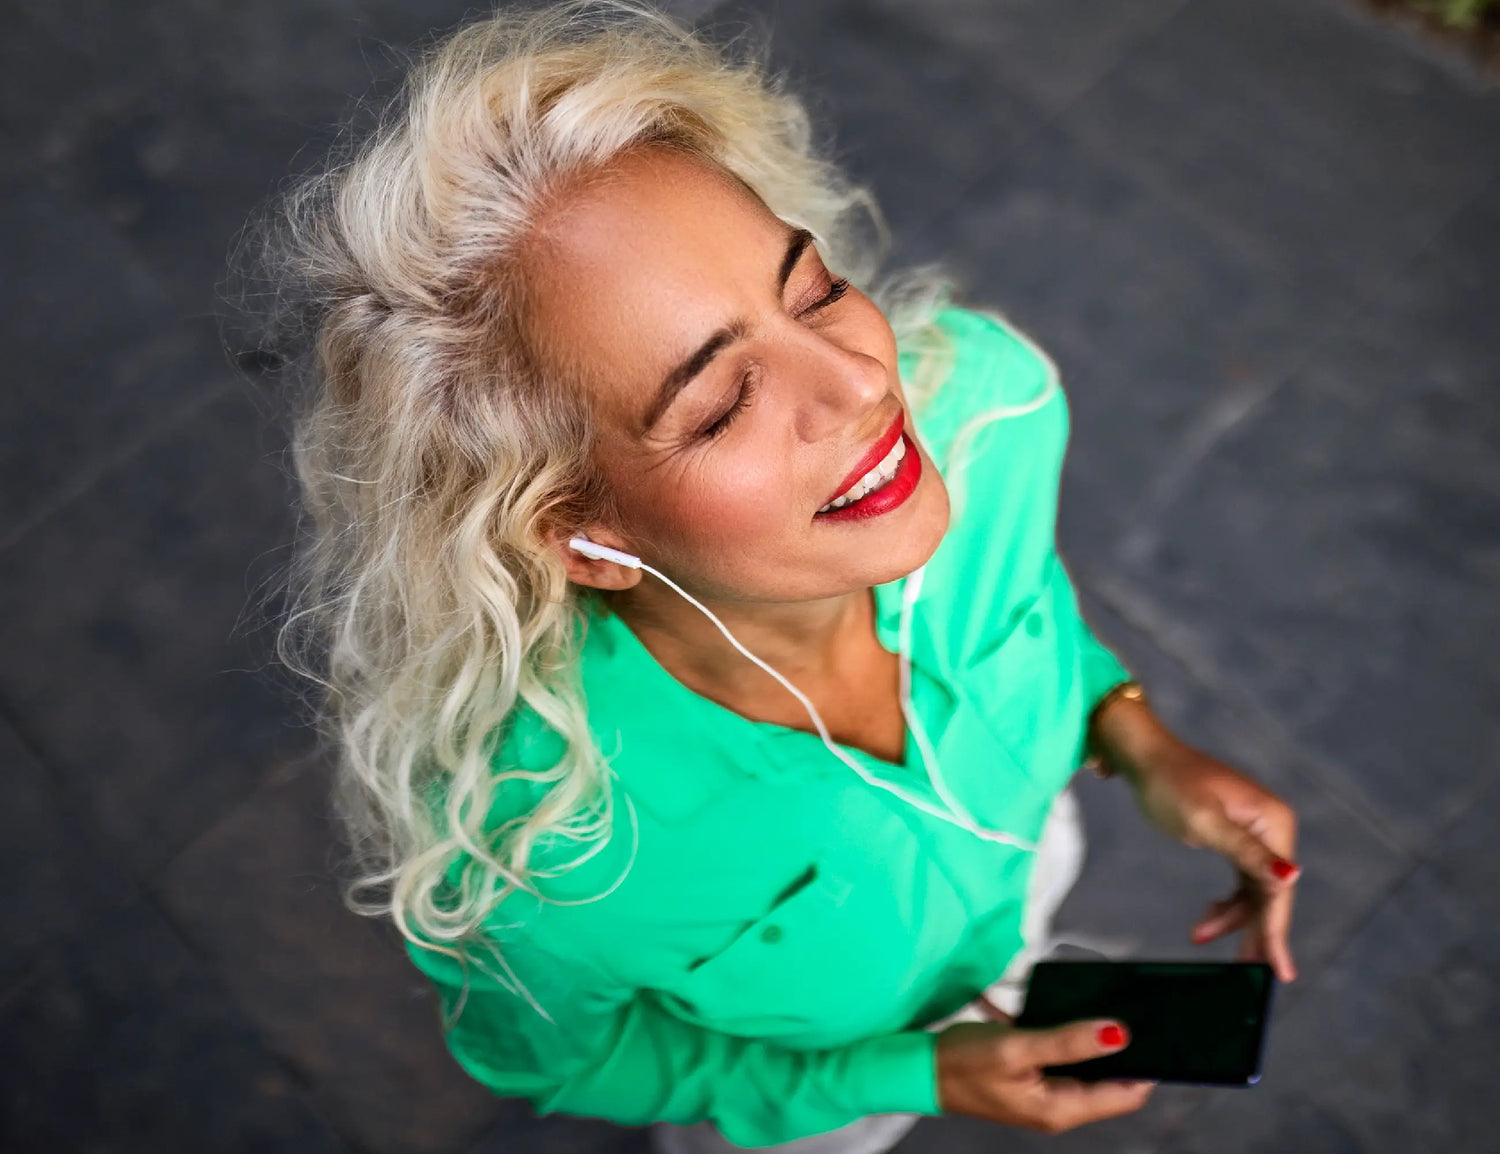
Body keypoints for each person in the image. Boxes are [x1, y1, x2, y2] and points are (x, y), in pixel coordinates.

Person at [250, 2, 1301, 1151]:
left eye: (809, 290)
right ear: (577, 531)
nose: (860, 384)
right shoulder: (542, 849)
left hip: (1026, 867)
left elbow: (1031, 612)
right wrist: (916, 1072)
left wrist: (1137, 736)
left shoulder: (989, 422)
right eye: (721, 402)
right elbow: (573, 1058)